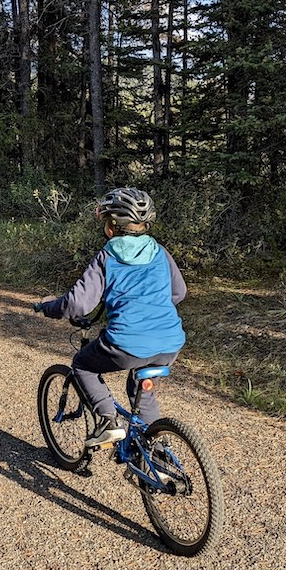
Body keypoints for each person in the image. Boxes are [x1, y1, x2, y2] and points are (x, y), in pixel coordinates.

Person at [34, 187, 186, 450]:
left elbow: (78, 304)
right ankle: (157, 456)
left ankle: (108, 420)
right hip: (170, 343)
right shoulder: (160, 252)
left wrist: (49, 307)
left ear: (112, 226)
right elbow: (179, 292)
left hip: (127, 343)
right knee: (143, 392)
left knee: (82, 364)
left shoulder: (108, 255)